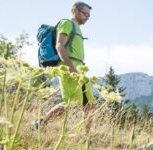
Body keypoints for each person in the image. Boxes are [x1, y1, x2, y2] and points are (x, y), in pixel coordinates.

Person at [35, 1, 95, 134]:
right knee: (71, 103)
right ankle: (42, 122)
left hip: (80, 69)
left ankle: (87, 137)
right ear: (74, 10)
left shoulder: (78, 28)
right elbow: (59, 46)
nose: (87, 17)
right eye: (85, 13)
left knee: (89, 104)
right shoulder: (67, 23)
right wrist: (71, 68)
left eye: (89, 15)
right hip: (69, 68)